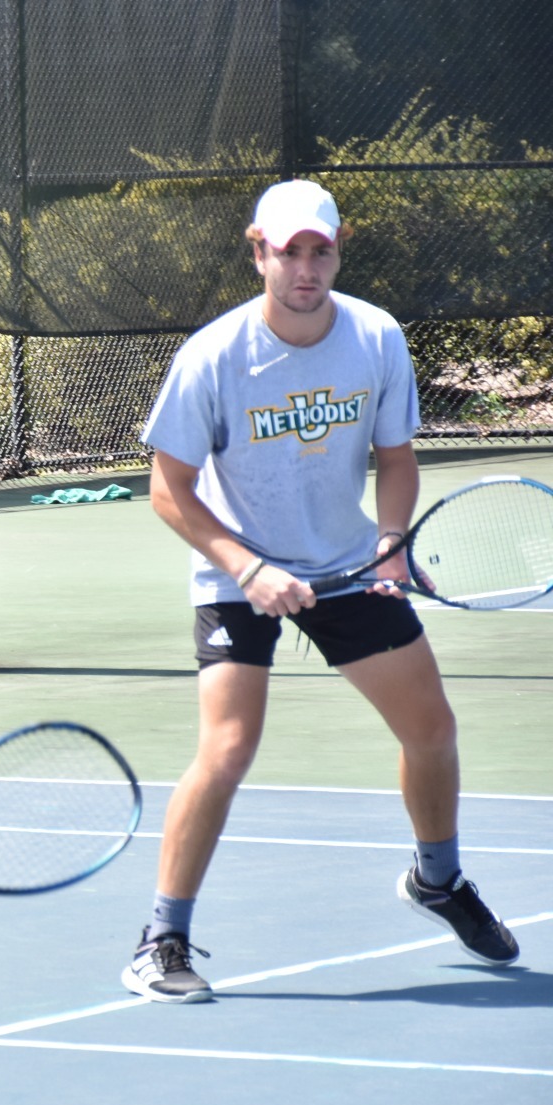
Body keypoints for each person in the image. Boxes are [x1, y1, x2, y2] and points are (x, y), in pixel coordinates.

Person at [124, 178, 520, 1004]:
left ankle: (437, 880)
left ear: (338, 252)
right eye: (289, 250)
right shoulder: (214, 354)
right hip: (239, 571)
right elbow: (168, 488)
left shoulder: (374, 335)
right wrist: (247, 568)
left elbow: (398, 459)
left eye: (321, 251)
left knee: (433, 730)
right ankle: (161, 939)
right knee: (228, 749)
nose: (306, 267)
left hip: (347, 567)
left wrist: (390, 545)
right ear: (258, 249)